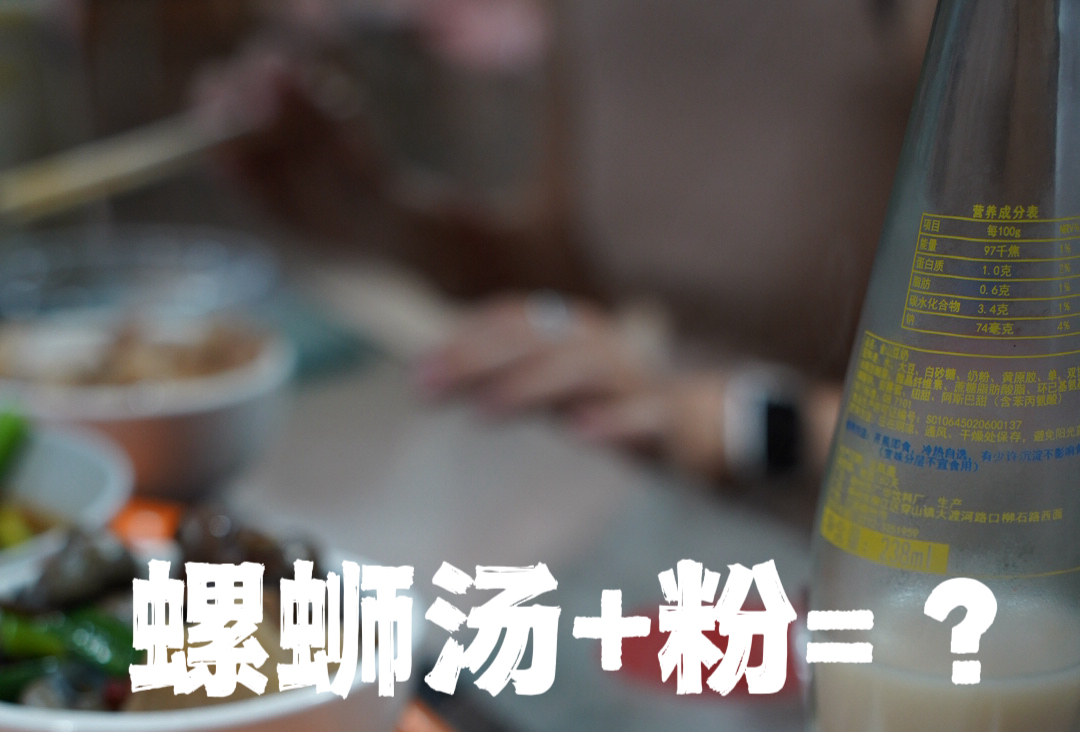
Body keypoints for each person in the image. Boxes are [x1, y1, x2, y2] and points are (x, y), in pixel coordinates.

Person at [198, 0, 938, 487]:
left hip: (900, 570)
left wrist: (733, 419)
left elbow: (999, 443)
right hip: (693, 526)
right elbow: (571, 263)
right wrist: (364, 210)